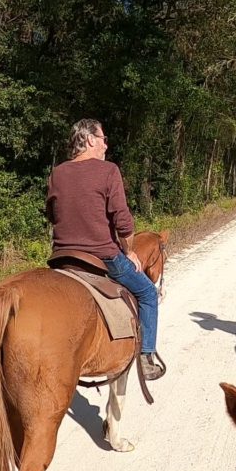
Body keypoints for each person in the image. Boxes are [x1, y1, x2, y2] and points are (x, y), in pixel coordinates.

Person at [45, 119, 165, 380]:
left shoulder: (57, 173)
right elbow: (123, 222)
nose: (105, 145)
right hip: (103, 257)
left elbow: (52, 215)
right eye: (103, 139)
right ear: (89, 140)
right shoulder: (108, 171)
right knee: (147, 293)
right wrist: (129, 250)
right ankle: (146, 356)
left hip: (62, 258)